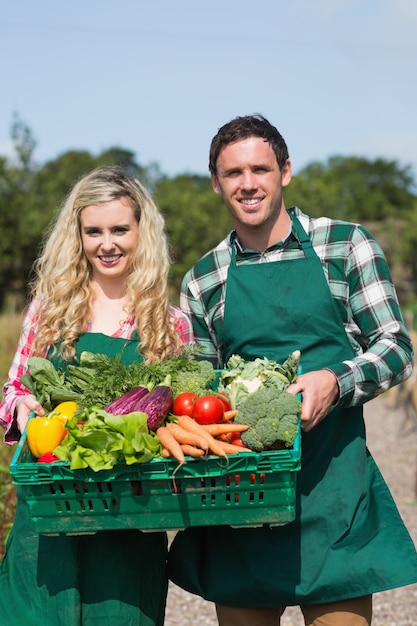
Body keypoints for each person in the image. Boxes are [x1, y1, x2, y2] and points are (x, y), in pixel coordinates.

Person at [167, 115, 417, 626]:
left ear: (285, 171)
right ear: (216, 183)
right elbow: (198, 394)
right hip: (243, 502)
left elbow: (396, 347)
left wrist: (337, 380)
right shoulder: (204, 279)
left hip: (334, 492)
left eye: (260, 168)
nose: (248, 183)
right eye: (233, 173)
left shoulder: (344, 246)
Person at [0, 165, 193, 626]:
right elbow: (14, 390)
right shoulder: (49, 310)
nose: (107, 243)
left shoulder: (170, 325)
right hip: (49, 510)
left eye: (120, 229)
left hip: (129, 513)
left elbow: (182, 419)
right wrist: (22, 408)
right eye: (94, 231)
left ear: (141, 232)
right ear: (78, 235)